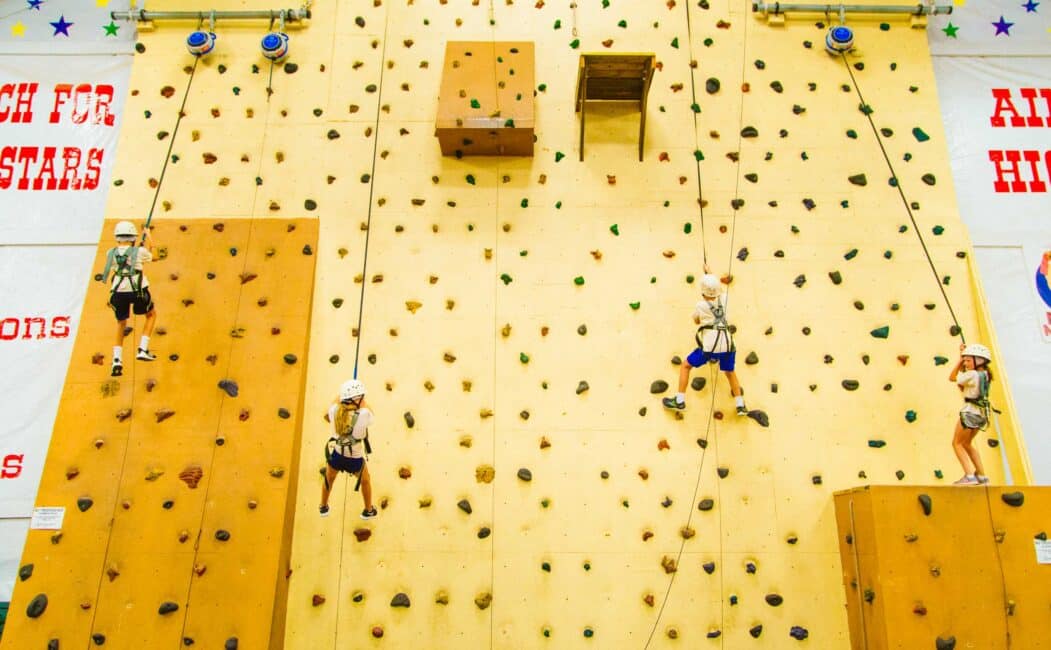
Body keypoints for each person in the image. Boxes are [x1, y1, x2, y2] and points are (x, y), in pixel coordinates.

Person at [663, 264, 747, 415]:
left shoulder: (701, 305)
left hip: (710, 347)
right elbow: (717, 289)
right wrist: (710, 273)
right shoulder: (725, 299)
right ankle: (740, 405)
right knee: (730, 372)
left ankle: (679, 400)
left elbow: (696, 321)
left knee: (685, 366)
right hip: (728, 345)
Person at [100, 220, 157, 377]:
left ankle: (117, 360)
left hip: (118, 292)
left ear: (117, 238)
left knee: (121, 323)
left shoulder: (110, 253)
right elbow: (156, 257)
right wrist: (149, 237)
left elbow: (116, 266)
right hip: (137, 290)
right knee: (151, 315)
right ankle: (142, 349)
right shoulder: (139, 251)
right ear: (133, 237)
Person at [320, 378, 378, 519]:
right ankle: (368, 510)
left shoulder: (334, 411)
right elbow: (370, 413)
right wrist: (361, 402)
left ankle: (323, 507)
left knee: (329, 478)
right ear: (357, 400)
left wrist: (345, 395)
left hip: (337, 454)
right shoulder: (364, 414)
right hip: (355, 459)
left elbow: (329, 412)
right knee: (365, 480)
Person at [949, 342, 994, 486]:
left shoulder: (972, 374)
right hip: (981, 414)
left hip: (970, 412)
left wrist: (960, 359)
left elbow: (952, 377)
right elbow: (963, 380)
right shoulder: (985, 374)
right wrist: (964, 354)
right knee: (967, 443)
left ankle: (969, 475)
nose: (966, 363)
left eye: (968, 360)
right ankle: (981, 475)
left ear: (978, 360)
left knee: (957, 443)